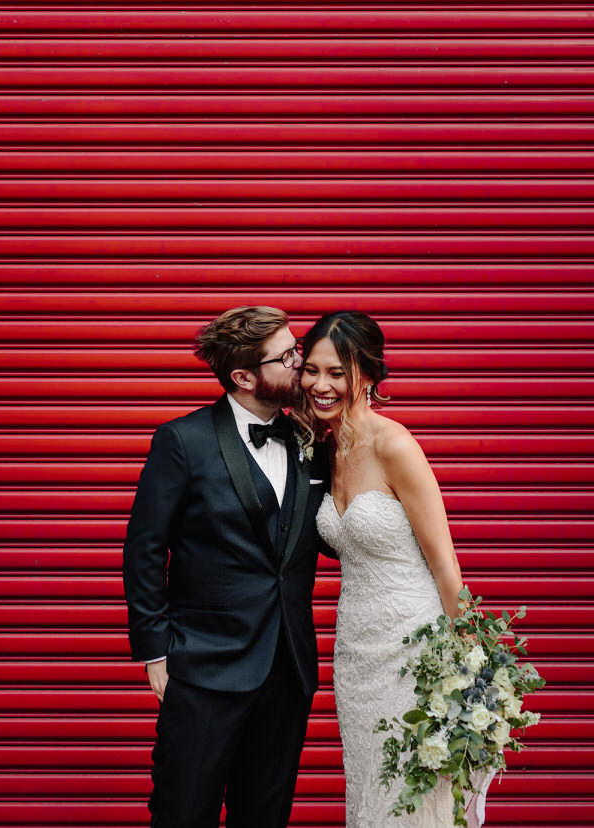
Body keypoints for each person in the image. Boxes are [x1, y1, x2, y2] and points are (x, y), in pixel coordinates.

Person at [123, 305, 330, 828]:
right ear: (243, 377)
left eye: (296, 348)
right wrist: (155, 654)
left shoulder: (311, 440)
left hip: (288, 670)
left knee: (264, 817)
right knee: (183, 813)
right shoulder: (181, 442)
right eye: (287, 357)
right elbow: (145, 548)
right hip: (204, 669)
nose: (300, 364)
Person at [299, 309, 463, 827]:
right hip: (355, 654)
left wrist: (464, 674)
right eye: (311, 370)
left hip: (413, 648)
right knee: (370, 787)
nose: (319, 384)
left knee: (414, 792)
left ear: (367, 374)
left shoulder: (395, 445)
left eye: (336, 372)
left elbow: (446, 569)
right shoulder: (326, 448)